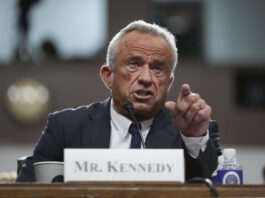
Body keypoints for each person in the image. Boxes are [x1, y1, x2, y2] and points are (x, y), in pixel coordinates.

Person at [16, 20, 220, 182]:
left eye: (157, 68)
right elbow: (25, 191)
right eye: (134, 64)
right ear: (108, 75)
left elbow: (217, 190)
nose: (146, 78)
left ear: (169, 83)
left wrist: (194, 138)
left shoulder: (191, 132)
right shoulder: (66, 128)